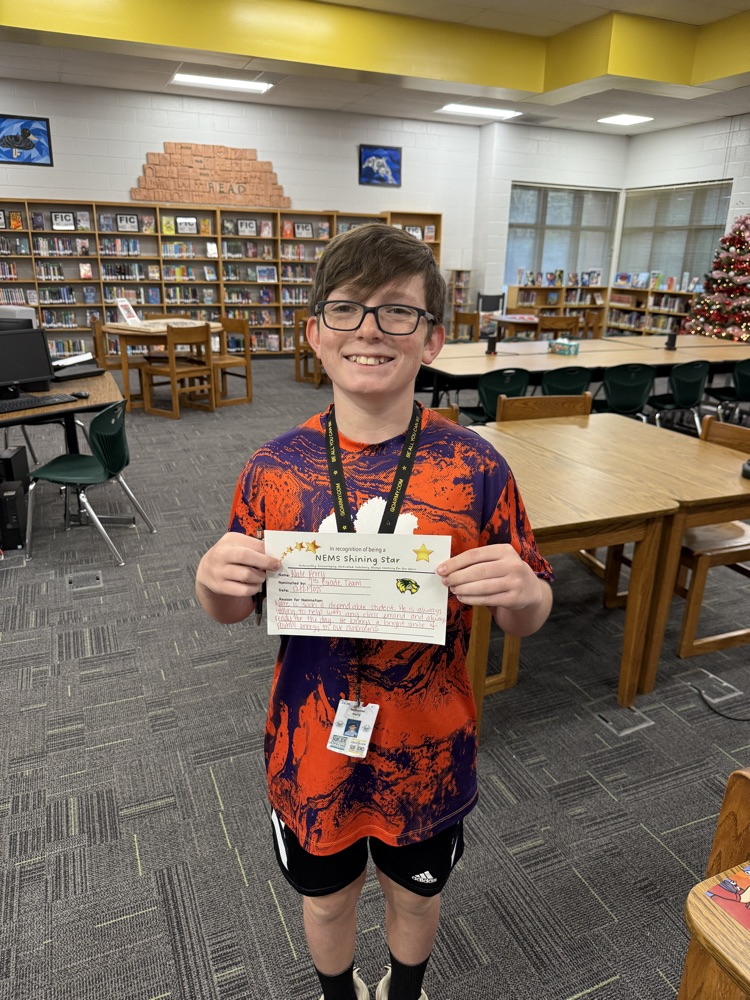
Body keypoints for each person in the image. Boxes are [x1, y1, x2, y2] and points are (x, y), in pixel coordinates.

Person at [195, 223, 554, 1000]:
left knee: (417, 894)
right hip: (310, 749)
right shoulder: (272, 469)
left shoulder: (478, 466)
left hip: (427, 745)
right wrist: (212, 580)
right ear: (313, 333)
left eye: (398, 312)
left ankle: (405, 987)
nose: (369, 329)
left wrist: (526, 595)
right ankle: (337, 994)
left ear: (432, 339)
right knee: (324, 899)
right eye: (348, 309)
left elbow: (529, 613)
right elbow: (229, 608)